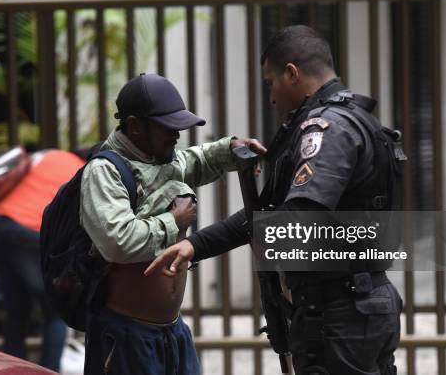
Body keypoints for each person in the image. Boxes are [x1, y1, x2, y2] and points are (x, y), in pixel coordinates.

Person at [145, 25, 403, 375]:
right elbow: (269, 214)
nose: (271, 97)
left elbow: (299, 215)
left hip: (340, 312)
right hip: (355, 306)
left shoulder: (326, 129)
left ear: (292, 74)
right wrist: (196, 246)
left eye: (271, 83)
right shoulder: (352, 118)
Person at [80, 73, 265, 375]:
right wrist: (173, 221)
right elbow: (117, 241)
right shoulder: (105, 172)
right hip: (128, 338)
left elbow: (199, 160)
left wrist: (231, 148)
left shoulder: (161, 159)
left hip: (172, 333)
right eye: (168, 127)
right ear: (135, 126)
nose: (176, 134)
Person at [0, 148, 85, 372]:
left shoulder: (47, 156)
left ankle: (12, 371)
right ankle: (48, 371)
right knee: (55, 310)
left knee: (17, 307)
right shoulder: (84, 171)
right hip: (29, 233)